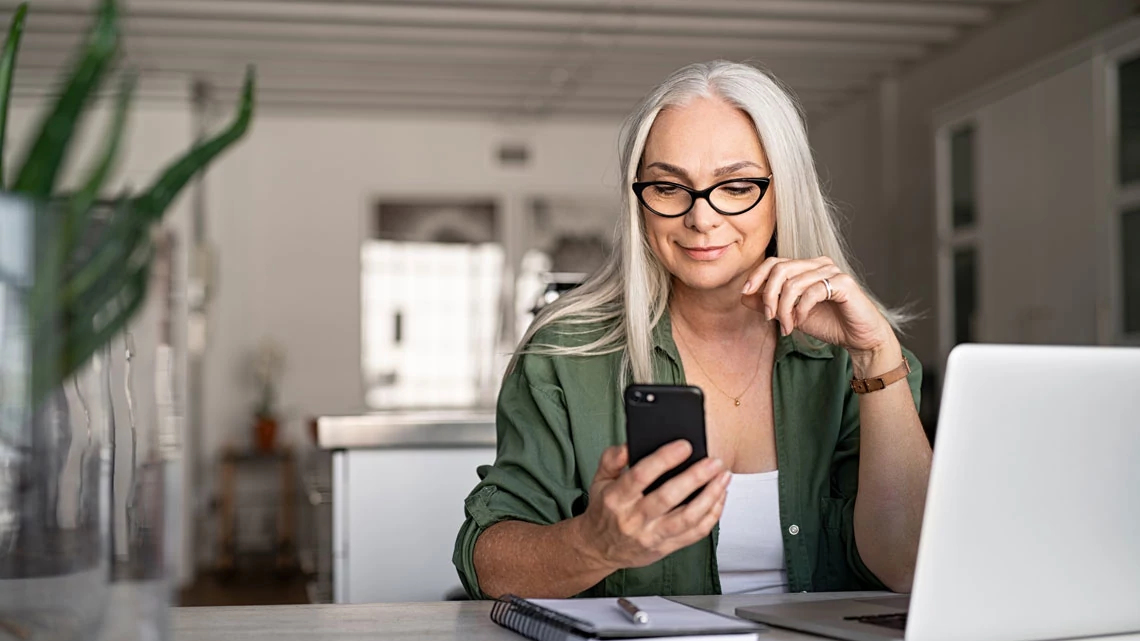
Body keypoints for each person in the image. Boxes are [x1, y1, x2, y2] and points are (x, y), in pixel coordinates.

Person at [453, 61, 932, 599]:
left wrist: (875, 358)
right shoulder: (565, 352)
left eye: (735, 186)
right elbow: (488, 565)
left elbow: (910, 566)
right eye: (668, 186)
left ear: (784, 192)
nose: (700, 218)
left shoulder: (863, 360)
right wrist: (594, 544)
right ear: (640, 202)